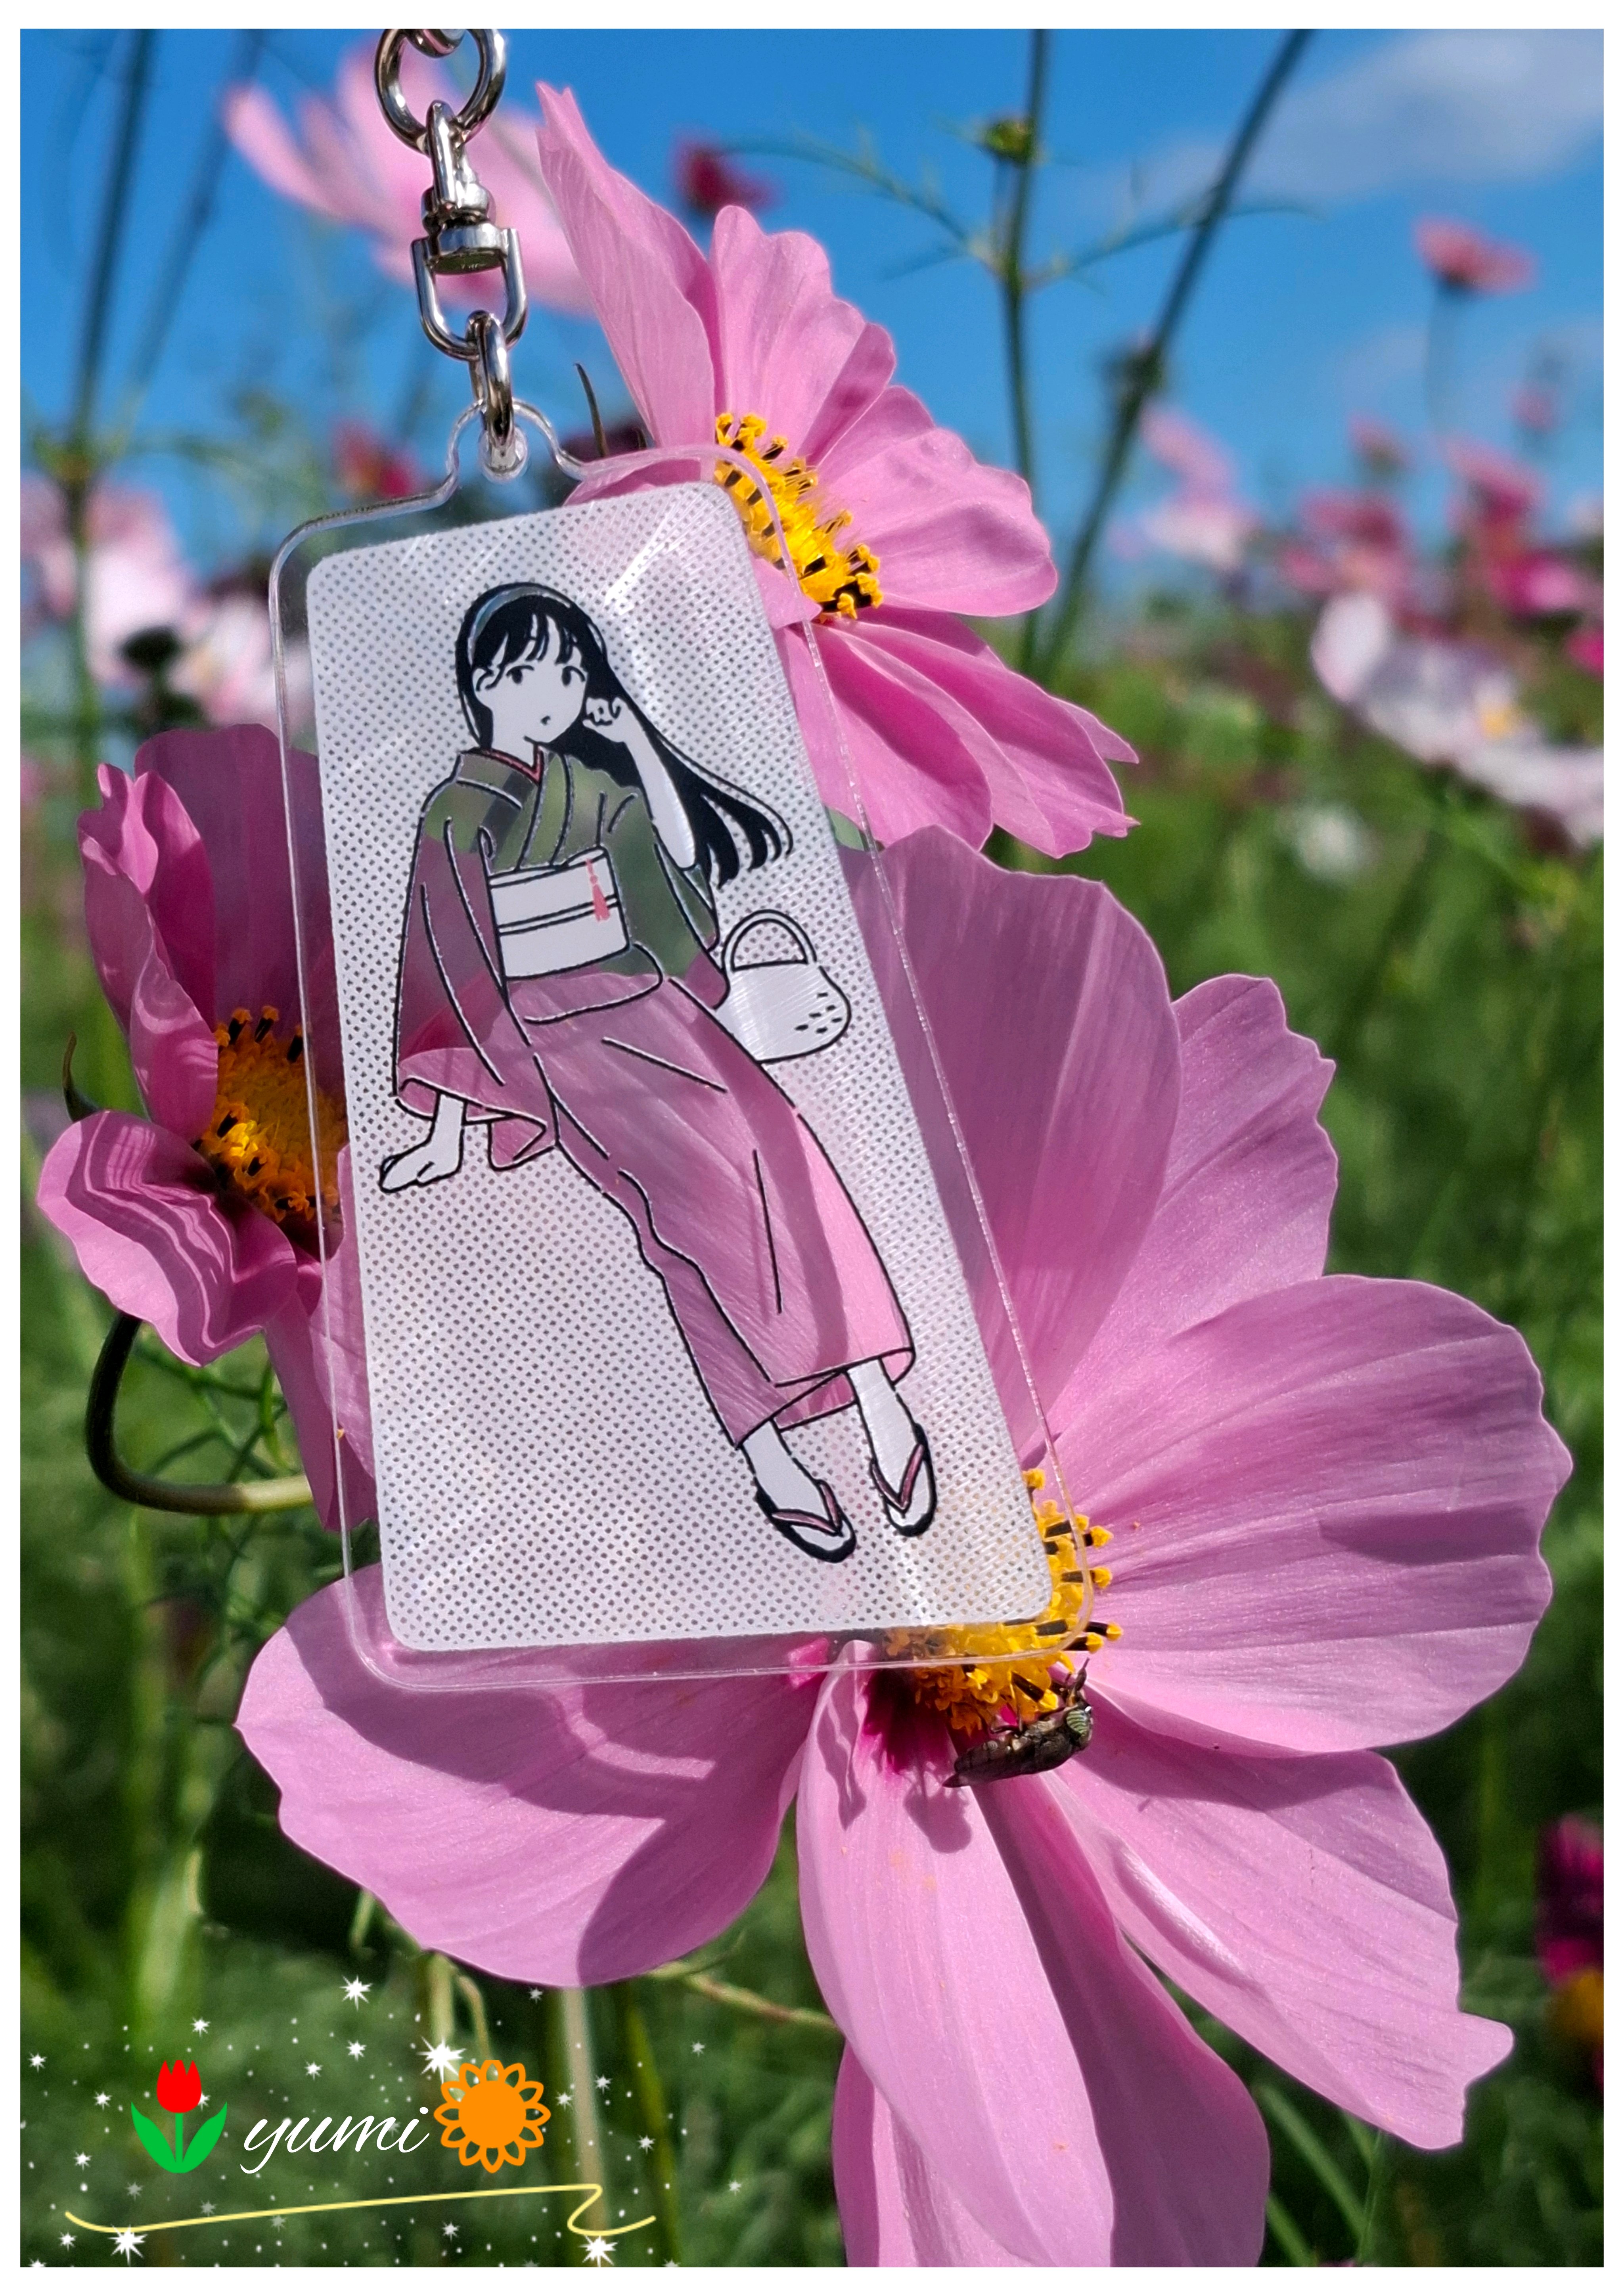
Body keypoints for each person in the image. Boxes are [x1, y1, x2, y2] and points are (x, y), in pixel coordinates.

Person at [381, 581, 935, 1560]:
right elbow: (450, 966)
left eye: (567, 672)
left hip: (656, 1002)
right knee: (687, 1226)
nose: (553, 692)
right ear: (483, 682)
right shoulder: (456, 812)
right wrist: (447, 1127)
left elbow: (672, 872)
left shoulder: (590, 786)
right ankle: (777, 1457)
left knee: (791, 1168)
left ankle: (875, 1410)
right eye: (529, 672)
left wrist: (634, 737)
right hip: (556, 1038)